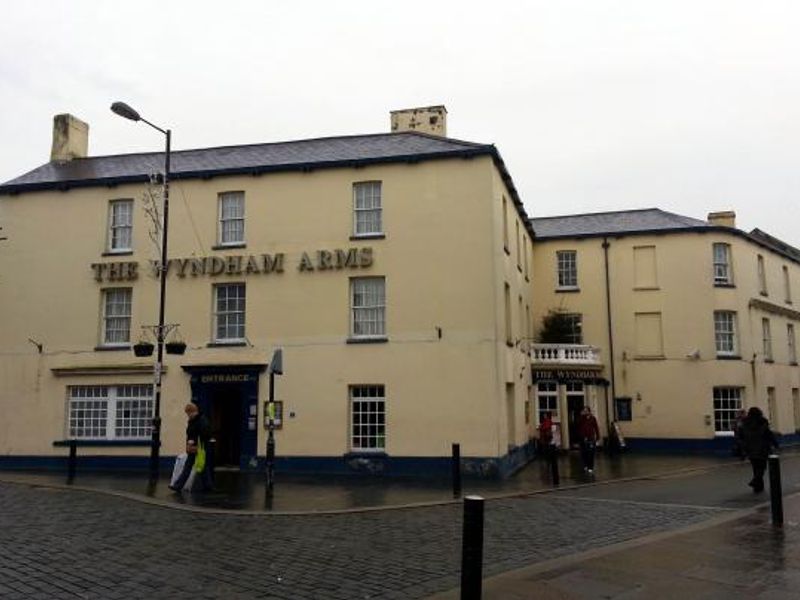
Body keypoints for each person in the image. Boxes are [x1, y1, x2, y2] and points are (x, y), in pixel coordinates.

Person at [169, 402, 213, 492]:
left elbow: (206, 434)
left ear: (193, 411)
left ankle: (178, 486)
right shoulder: (193, 421)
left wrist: (195, 441)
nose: (187, 415)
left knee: (198, 467)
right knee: (196, 467)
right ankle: (207, 486)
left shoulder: (202, 420)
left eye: (188, 413)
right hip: (192, 448)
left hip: (199, 448)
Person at [739, 406, 778, 493]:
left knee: (755, 467)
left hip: (750, 448)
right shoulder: (762, 421)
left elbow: (741, 436)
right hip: (762, 448)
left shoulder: (745, 422)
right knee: (762, 467)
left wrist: (743, 448)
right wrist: (775, 443)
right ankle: (755, 481)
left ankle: (758, 487)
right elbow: (768, 433)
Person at [577, 406, 601, 474]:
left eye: (586, 411)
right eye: (584, 411)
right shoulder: (581, 419)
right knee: (584, 453)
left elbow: (596, 427)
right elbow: (578, 425)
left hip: (591, 438)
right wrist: (581, 416)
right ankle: (585, 465)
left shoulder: (593, 418)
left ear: (589, 411)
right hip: (583, 438)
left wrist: (598, 436)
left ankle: (590, 467)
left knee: (591, 453)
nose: (585, 412)